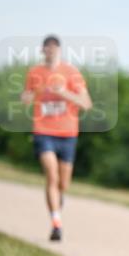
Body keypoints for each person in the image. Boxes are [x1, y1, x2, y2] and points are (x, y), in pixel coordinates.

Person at [20, 35, 93, 241]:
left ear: (59, 50)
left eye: (54, 48)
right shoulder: (35, 72)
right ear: (42, 50)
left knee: (63, 184)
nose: (50, 51)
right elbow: (26, 98)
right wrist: (29, 95)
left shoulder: (72, 73)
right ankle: (56, 223)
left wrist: (63, 93)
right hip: (43, 131)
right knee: (51, 176)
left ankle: (57, 203)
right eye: (47, 48)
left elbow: (86, 104)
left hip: (68, 134)